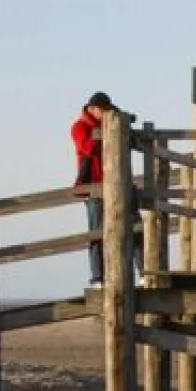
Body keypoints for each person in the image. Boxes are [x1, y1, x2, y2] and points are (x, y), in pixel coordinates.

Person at [72, 92, 117, 288]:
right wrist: (105, 131)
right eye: (103, 110)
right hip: (93, 186)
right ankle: (98, 277)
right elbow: (88, 148)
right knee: (96, 231)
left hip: (113, 184)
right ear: (92, 108)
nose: (105, 114)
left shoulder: (106, 126)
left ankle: (123, 273)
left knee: (125, 227)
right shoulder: (80, 126)